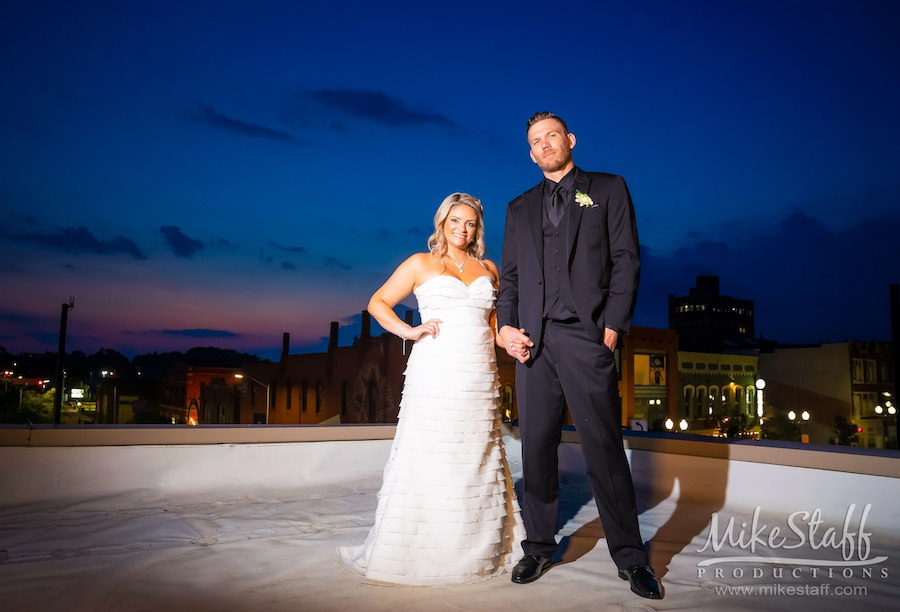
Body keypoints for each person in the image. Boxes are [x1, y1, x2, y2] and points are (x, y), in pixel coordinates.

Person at [496, 112, 662, 600]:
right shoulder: (518, 207)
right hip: (533, 343)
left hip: (588, 338)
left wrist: (611, 328)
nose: (545, 145)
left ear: (569, 140)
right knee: (538, 447)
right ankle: (539, 546)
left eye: (552, 136)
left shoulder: (607, 189)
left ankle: (630, 558)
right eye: (535, 141)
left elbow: (626, 260)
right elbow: (510, 278)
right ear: (530, 153)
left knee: (604, 450)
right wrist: (506, 327)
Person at [337, 192, 525, 586]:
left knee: (477, 450)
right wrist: (408, 331)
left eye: (470, 222)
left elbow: (492, 327)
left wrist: (512, 341)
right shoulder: (421, 263)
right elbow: (378, 302)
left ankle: (479, 547)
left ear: (478, 228)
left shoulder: (488, 267)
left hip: (480, 374)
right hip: (436, 372)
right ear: (442, 222)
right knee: (434, 452)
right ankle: (429, 548)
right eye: (455, 220)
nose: (462, 228)